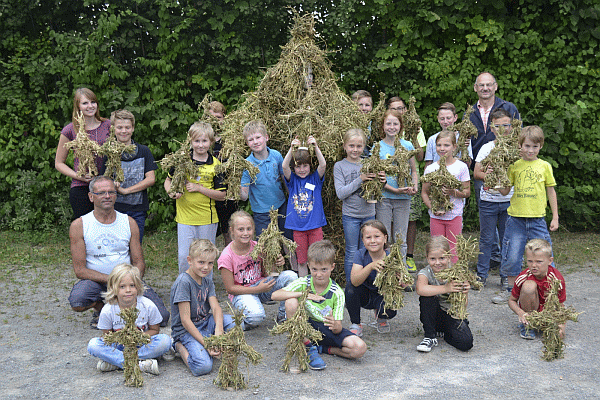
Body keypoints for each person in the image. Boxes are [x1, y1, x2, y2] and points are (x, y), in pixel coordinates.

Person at [68, 176, 169, 328]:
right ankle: (103, 309)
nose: (107, 196)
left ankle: (121, 309)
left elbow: (139, 262)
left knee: (162, 318)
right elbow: (80, 270)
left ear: (116, 195)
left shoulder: (128, 222)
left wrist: (131, 282)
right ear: (91, 197)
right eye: (101, 193)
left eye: (111, 192)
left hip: (127, 279)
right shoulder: (80, 225)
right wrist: (113, 280)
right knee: (77, 301)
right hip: (95, 280)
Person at [272, 240, 367, 370]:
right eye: (314, 269)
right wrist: (303, 294)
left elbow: (338, 328)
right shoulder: (304, 282)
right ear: (309, 266)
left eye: (324, 269)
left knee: (359, 348)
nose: (319, 274)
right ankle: (307, 345)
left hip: (325, 328)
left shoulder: (337, 292)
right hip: (306, 326)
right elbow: (275, 295)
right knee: (291, 301)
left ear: (332, 267)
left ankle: (325, 349)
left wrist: (335, 326)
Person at [492, 126, 559, 304]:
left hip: (537, 219)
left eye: (534, 147)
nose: (530, 150)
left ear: (541, 147)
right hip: (515, 220)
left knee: (543, 255)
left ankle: (549, 291)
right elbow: (505, 191)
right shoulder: (514, 166)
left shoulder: (544, 166)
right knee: (512, 256)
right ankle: (512, 291)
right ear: (520, 146)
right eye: (527, 146)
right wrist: (496, 182)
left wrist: (555, 217)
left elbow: (551, 192)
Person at [470, 72, 521, 268]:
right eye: (481, 85)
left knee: (506, 218)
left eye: (489, 85)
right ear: (476, 88)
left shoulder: (508, 108)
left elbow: (518, 136)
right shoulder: (471, 111)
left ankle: (504, 261)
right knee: (487, 216)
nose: (485, 88)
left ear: (495, 86)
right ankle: (493, 258)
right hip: (481, 167)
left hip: (508, 172)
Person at [218, 211, 298, 330]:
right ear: (232, 231)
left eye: (249, 229)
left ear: (253, 229)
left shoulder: (258, 247)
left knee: (291, 276)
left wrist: (276, 264)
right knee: (256, 317)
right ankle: (232, 323)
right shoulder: (226, 256)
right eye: (241, 229)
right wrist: (257, 289)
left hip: (261, 286)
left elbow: (267, 273)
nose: (245, 233)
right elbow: (230, 288)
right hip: (241, 293)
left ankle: (283, 315)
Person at [164, 122, 225, 274]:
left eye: (204, 141)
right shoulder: (182, 161)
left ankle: (205, 291)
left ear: (211, 142)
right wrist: (171, 192)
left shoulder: (216, 165)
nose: (200, 145)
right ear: (190, 141)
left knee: (206, 257)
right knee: (185, 257)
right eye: (196, 141)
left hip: (207, 219)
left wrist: (199, 188)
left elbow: (222, 195)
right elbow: (168, 180)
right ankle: (185, 290)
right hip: (185, 218)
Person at [88, 263, 171, 374]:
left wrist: (138, 337)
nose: (128, 290)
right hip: (119, 346)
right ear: (114, 288)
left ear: (138, 286)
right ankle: (140, 365)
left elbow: (155, 330)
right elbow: (107, 336)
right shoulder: (108, 310)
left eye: (132, 285)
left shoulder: (147, 305)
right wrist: (122, 339)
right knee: (93, 345)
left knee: (165, 341)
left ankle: (115, 363)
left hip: (141, 345)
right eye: (122, 287)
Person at [170, 239, 235, 376]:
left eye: (210, 263)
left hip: (205, 323)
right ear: (190, 260)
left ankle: (208, 344)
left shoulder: (207, 280)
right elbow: (185, 320)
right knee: (203, 367)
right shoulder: (184, 282)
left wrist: (219, 331)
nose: (206, 267)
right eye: (201, 262)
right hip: (185, 331)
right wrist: (207, 344)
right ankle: (178, 346)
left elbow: (216, 308)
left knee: (233, 323)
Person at [100, 109, 156, 243]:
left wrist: (126, 190)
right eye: (119, 127)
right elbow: (103, 179)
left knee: (135, 245)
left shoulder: (143, 151)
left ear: (133, 129)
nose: (123, 131)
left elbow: (151, 179)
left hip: (137, 210)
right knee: (116, 245)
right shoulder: (108, 152)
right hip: (114, 209)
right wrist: (112, 185)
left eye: (127, 127)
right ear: (113, 129)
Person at [473, 109, 515, 286]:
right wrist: (487, 174)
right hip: (488, 201)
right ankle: (481, 275)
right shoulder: (487, 148)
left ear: (512, 126)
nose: (502, 129)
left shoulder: (516, 150)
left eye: (505, 125)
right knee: (487, 239)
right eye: (497, 126)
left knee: (508, 239)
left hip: (509, 202)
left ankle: (506, 275)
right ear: (491, 128)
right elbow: (476, 173)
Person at [55, 88, 111, 219]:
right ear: (78, 106)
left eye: (93, 102)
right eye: (85, 103)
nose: (90, 106)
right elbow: (58, 163)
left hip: (106, 186)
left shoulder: (108, 124)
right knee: (85, 228)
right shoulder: (70, 129)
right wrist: (78, 176)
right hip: (81, 187)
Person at [415, 236, 473, 352]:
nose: (437, 263)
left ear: (449, 257)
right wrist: (446, 288)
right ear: (427, 258)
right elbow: (420, 289)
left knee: (466, 343)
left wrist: (464, 292)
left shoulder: (457, 273)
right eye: (432, 259)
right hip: (434, 317)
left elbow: (464, 305)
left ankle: (447, 333)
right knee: (427, 297)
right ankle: (430, 336)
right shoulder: (425, 273)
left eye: (442, 258)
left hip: (452, 314)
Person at [388, 97, 426, 272]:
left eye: (401, 108)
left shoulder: (415, 130)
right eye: (394, 108)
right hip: (390, 185)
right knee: (391, 223)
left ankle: (408, 257)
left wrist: (413, 136)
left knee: (410, 221)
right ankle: (391, 260)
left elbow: (419, 158)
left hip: (410, 183)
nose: (399, 111)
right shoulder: (388, 128)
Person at [375, 109, 419, 261]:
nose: (392, 127)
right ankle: (385, 270)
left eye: (395, 123)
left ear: (401, 126)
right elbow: (379, 177)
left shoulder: (407, 146)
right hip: (385, 198)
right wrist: (394, 189)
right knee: (383, 236)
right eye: (388, 123)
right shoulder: (378, 147)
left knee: (400, 237)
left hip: (403, 199)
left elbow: (414, 170)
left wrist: (414, 186)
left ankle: (401, 271)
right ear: (383, 126)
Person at [422, 131, 471, 263]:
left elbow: (467, 191)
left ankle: (453, 276)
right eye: (439, 145)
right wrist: (432, 207)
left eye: (446, 145)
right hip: (436, 216)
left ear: (454, 147)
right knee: (437, 248)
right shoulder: (431, 169)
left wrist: (452, 192)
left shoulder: (461, 167)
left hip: (454, 215)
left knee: (453, 248)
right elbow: (424, 193)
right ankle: (438, 278)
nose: (442, 148)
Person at [333, 128, 376, 280]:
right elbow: (341, 193)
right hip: (350, 215)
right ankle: (352, 285)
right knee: (352, 251)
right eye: (351, 146)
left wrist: (381, 182)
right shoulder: (339, 166)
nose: (355, 150)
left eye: (359, 146)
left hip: (369, 214)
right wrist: (360, 179)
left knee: (367, 249)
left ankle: (366, 283)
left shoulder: (369, 163)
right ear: (344, 146)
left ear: (364, 146)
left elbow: (376, 190)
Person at [282, 136, 327, 276]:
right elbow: (284, 166)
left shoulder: (315, 179)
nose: (302, 169)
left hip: (315, 227)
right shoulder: (292, 180)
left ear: (310, 166)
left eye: (305, 166)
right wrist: (291, 149)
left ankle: (318, 285)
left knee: (318, 259)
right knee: (302, 260)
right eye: (298, 166)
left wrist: (315, 146)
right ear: (294, 167)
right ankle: (304, 288)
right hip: (298, 228)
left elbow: (323, 165)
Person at [346, 220, 398, 337]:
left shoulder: (391, 257)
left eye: (377, 236)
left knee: (389, 309)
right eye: (368, 237)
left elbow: (403, 284)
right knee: (350, 287)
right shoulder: (360, 254)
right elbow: (355, 280)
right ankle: (356, 323)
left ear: (385, 238)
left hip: (381, 295)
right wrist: (370, 267)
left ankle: (381, 316)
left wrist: (399, 279)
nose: (373, 240)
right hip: (365, 295)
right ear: (363, 241)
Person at [239, 120, 291, 238]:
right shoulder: (248, 164)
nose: (255, 142)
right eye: (251, 140)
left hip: (281, 206)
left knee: (288, 238)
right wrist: (234, 187)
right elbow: (244, 196)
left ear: (266, 137)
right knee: (265, 243)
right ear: (247, 143)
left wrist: (292, 198)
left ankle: (292, 257)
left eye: (258, 137)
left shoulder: (276, 156)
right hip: (261, 212)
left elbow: (285, 179)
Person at [508, 239, 565, 339]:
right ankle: (528, 325)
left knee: (558, 334)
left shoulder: (556, 279)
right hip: (530, 313)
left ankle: (546, 324)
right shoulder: (523, 277)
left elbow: (560, 306)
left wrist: (561, 327)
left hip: (548, 315)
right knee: (528, 286)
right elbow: (511, 301)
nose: (533, 265)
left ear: (550, 261)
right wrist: (521, 313)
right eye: (530, 261)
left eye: (539, 262)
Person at [206, 101, 236, 247]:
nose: (214, 121)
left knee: (228, 229)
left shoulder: (231, 140)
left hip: (226, 189)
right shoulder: (202, 140)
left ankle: (229, 259)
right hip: (206, 189)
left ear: (224, 119)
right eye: (211, 117)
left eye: (218, 117)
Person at [424, 102, 473, 168]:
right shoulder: (432, 139)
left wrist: (464, 148)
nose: (445, 122)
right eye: (442, 118)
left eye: (448, 118)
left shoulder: (463, 138)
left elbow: (468, 165)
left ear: (455, 117)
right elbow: (428, 164)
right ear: (438, 118)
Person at [351, 89, 374, 156]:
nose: (363, 108)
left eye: (367, 105)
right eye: (360, 105)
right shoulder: (350, 123)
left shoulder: (375, 124)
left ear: (371, 107)